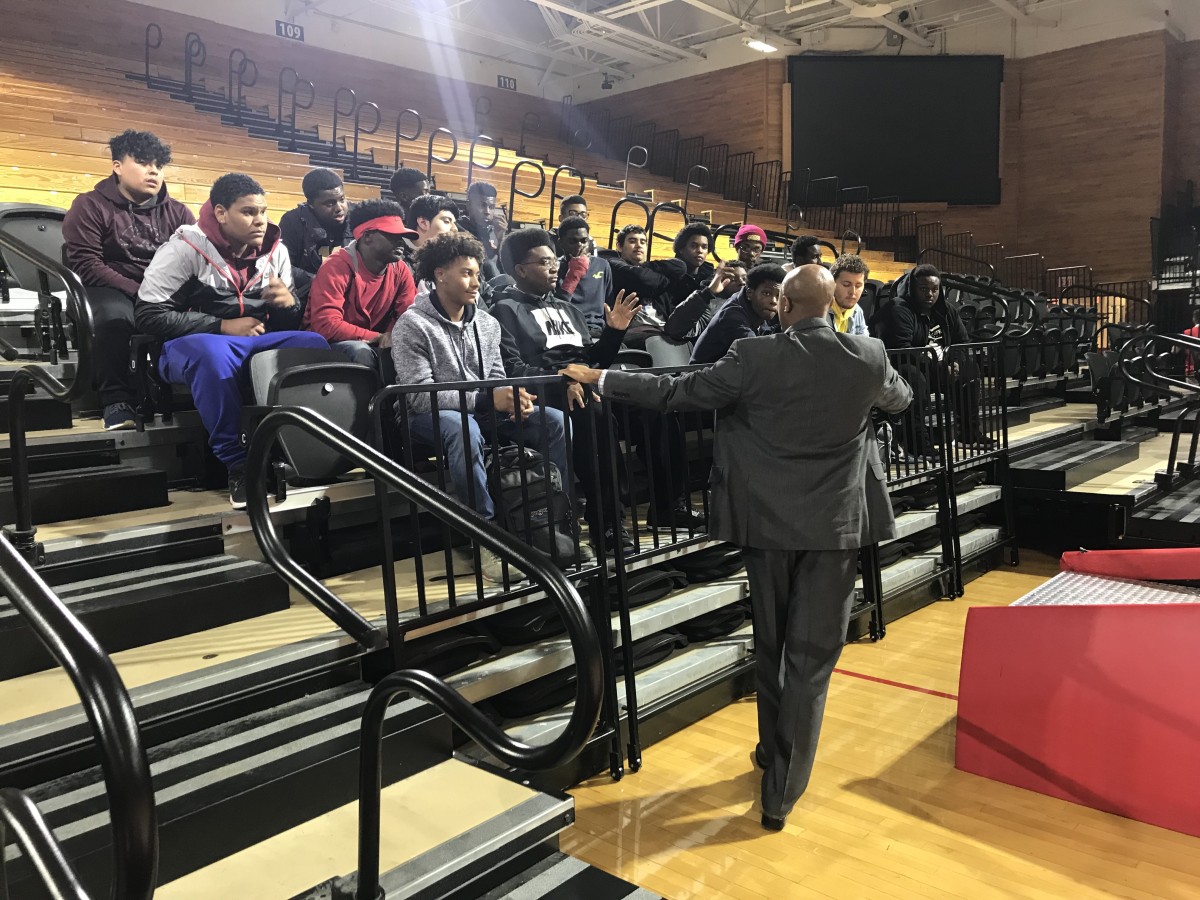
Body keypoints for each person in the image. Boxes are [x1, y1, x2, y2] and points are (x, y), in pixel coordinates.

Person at [560, 264, 912, 831]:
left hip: (765, 526)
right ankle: (781, 786)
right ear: (830, 306)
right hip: (834, 529)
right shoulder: (868, 356)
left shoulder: (754, 356)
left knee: (772, 651)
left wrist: (602, 377)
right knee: (811, 662)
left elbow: (674, 392)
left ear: (786, 308)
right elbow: (902, 399)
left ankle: (775, 756)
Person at [391, 232, 587, 581]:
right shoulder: (412, 324)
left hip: (482, 412)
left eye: (478, 274)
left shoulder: (486, 323)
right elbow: (419, 394)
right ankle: (487, 540)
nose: (476, 282)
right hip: (426, 417)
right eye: (467, 273)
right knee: (459, 427)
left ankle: (559, 525)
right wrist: (487, 398)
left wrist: (513, 398)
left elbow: (497, 376)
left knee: (555, 421)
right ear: (440, 274)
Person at [135, 173, 329, 508]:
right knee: (212, 355)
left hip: (252, 340)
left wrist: (287, 305)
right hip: (189, 344)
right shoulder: (184, 247)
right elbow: (149, 315)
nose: (260, 221)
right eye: (249, 212)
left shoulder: (276, 251)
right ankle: (238, 464)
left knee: (313, 345)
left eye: (264, 211)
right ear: (221, 213)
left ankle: (298, 452)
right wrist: (221, 325)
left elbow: (283, 320)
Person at [490, 228, 642, 549]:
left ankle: (628, 514)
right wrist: (564, 380)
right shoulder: (504, 310)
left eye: (554, 260)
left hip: (580, 392)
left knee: (640, 407)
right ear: (520, 270)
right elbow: (513, 369)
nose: (555, 267)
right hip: (538, 396)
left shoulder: (569, 309)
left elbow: (590, 360)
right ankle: (608, 523)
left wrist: (614, 332)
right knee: (595, 416)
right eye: (544, 262)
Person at [62, 129, 195, 431]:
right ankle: (115, 400)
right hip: (109, 285)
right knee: (113, 319)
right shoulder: (90, 205)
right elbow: (87, 264)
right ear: (117, 166)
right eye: (144, 163)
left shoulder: (178, 213)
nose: (153, 171)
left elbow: (195, 260)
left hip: (162, 290)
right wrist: (141, 292)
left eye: (159, 166)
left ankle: (183, 391)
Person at [873, 263, 996, 453]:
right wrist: (938, 366)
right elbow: (902, 348)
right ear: (912, 288)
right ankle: (917, 444)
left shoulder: (946, 310)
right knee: (913, 377)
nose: (930, 294)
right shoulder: (899, 308)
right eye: (923, 289)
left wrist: (954, 362)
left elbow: (962, 342)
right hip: (906, 368)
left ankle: (968, 436)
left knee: (970, 370)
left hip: (939, 369)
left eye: (934, 289)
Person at [303, 199, 417, 377]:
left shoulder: (401, 269)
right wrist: (379, 337)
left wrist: (394, 336)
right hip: (327, 345)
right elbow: (326, 325)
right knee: (360, 351)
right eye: (392, 235)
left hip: (372, 342)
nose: (401, 242)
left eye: (401, 236)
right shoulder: (337, 266)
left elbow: (409, 317)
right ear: (367, 236)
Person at [277, 167, 351, 302]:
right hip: (308, 295)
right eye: (329, 203)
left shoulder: (356, 218)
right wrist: (321, 281)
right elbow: (284, 266)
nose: (339, 208)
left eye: (342, 199)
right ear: (310, 204)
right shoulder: (292, 221)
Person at [690, 263, 785, 365]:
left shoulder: (757, 311)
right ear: (750, 293)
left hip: (726, 376)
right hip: (701, 378)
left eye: (778, 295)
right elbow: (759, 354)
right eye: (767, 293)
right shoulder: (732, 317)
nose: (774, 301)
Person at [556, 215, 613, 337]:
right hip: (567, 330)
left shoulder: (602, 265)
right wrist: (573, 274)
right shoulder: (554, 268)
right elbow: (556, 309)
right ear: (561, 243)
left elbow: (609, 303)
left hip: (596, 331)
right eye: (573, 241)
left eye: (583, 241)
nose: (579, 246)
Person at [458, 181, 508, 280]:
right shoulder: (458, 229)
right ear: (468, 205)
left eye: (491, 207)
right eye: (482, 205)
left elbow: (506, 270)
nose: (487, 212)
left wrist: (501, 238)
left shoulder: (496, 231)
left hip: (498, 288)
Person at [828, 254, 870, 336]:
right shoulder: (820, 309)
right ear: (832, 283)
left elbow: (864, 344)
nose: (853, 292)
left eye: (858, 286)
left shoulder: (857, 311)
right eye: (846, 285)